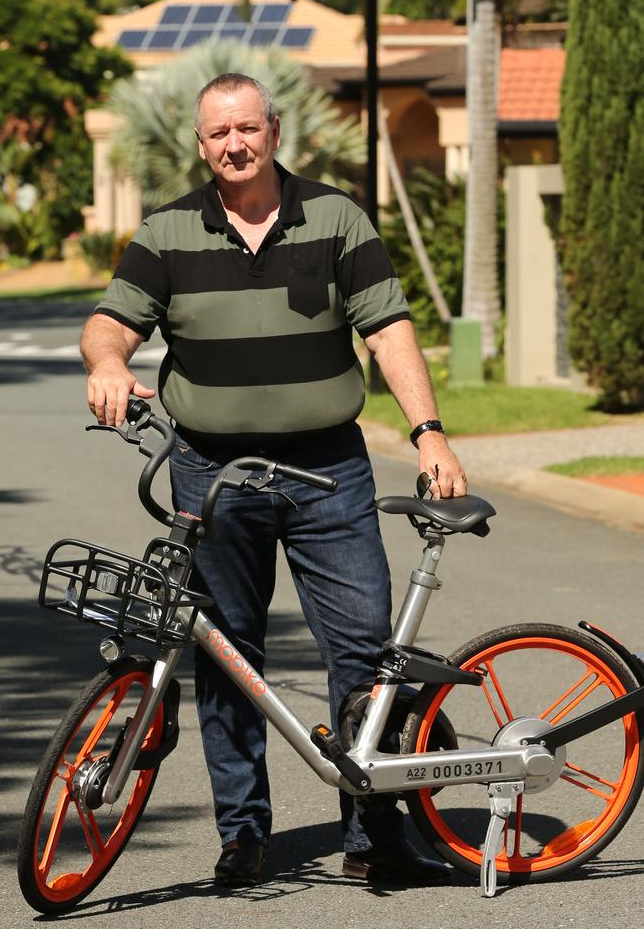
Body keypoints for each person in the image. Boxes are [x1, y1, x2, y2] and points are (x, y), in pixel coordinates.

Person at [81, 72, 467, 888]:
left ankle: (375, 834)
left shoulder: (333, 217)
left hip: (329, 471)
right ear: (200, 142)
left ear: (274, 131)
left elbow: (389, 328)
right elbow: (110, 322)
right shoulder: (170, 230)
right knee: (228, 658)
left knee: (364, 653)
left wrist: (429, 432)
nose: (234, 146)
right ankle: (242, 835)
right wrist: (109, 362)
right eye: (218, 134)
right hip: (212, 474)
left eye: (248, 129)